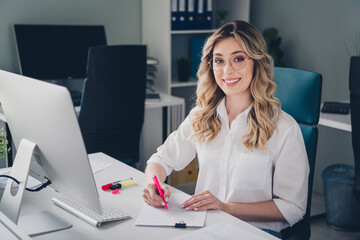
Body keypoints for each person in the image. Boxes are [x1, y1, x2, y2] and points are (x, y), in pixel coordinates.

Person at [142, 20, 309, 238]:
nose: (227, 71)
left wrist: (226, 207)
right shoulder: (202, 116)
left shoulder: (284, 128)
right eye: (219, 60)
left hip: (257, 232)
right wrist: (155, 185)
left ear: (256, 63)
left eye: (238, 59)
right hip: (206, 227)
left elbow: (292, 207)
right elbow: (160, 160)